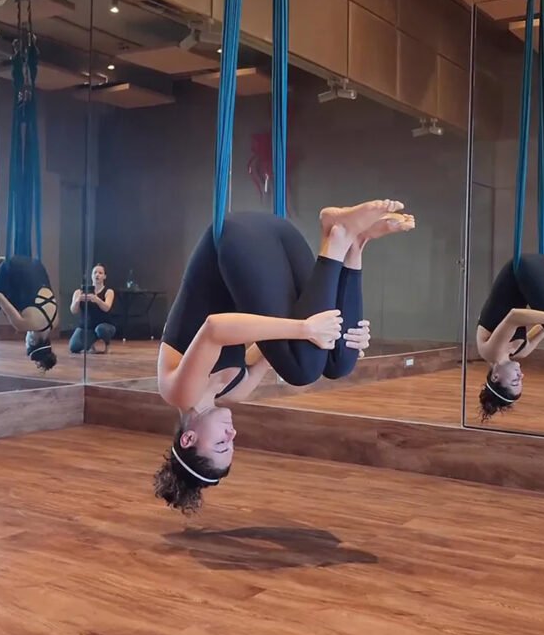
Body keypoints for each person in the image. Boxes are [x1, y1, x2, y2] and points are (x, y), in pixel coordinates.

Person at [155, 200, 415, 515]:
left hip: (237, 240)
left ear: (188, 439)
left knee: (303, 367)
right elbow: (278, 344)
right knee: (338, 362)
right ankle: (354, 244)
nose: (232, 435)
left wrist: (305, 328)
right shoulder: (236, 390)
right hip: (280, 239)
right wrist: (345, 340)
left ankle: (342, 234)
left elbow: (215, 328)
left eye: (221, 444)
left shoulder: (180, 392)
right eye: (232, 445)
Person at [477, 253, 544, 420]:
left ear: (495, 377)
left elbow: (515, 316)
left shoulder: (491, 352)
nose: (521, 376)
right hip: (539, 268)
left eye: (514, 381)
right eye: (521, 381)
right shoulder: (520, 352)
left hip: (522, 268)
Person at [0, 255, 58, 371]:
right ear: (32, 341)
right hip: (10, 266)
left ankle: (2, 263)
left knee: (17, 305)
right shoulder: (23, 325)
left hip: (36, 263)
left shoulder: (55, 322)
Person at [69, 264, 116, 354]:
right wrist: (78, 300)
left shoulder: (108, 291)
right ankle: (91, 343)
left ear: (104, 276)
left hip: (104, 325)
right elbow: (73, 310)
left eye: (100, 273)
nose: (97, 275)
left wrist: (97, 300)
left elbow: (107, 308)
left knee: (101, 329)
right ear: (91, 276)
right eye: (95, 273)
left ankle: (107, 345)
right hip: (87, 326)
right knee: (74, 347)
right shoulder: (79, 292)